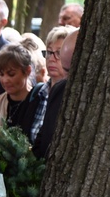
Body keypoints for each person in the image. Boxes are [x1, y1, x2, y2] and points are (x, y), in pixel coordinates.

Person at [33, 28, 79, 159]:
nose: (52, 59)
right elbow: (42, 140)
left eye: (58, 53)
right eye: (49, 52)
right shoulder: (56, 90)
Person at [0, 44, 39, 136]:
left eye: (11, 74)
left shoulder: (38, 103)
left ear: (27, 71)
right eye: (1, 74)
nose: (5, 80)